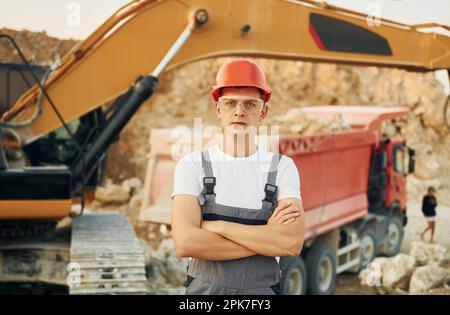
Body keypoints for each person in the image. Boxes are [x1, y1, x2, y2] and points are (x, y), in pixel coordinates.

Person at [171, 59, 305, 295]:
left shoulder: (283, 168)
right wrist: (266, 238)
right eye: (230, 103)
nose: (239, 112)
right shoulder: (193, 166)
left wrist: (217, 226)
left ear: (263, 111)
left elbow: (291, 243)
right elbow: (186, 243)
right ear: (218, 109)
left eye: (250, 104)